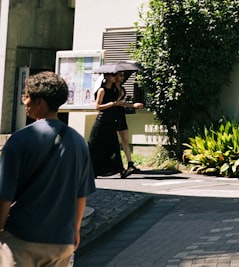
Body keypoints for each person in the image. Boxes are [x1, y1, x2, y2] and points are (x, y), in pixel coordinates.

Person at [0, 71, 96, 266]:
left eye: (27, 97)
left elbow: (5, 196)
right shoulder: (78, 142)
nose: (25, 102)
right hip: (61, 242)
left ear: (40, 102)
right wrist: (75, 231)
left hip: (22, 240)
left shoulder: (20, 140)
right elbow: (81, 195)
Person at [89, 72, 142, 178]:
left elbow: (119, 103)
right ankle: (91, 170)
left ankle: (121, 170)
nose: (115, 78)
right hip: (102, 120)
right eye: (113, 76)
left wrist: (132, 105)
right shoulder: (102, 90)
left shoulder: (114, 90)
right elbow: (97, 106)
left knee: (114, 144)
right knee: (94, 144)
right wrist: (112, 104)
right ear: (108, 77)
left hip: (111, 120)